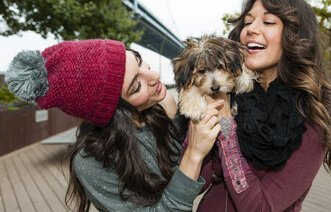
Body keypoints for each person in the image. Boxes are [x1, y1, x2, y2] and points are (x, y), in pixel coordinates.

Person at [5, 39, 223, 212]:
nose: (155, 75)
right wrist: (194, 153)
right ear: (115, 111)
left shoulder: (162, 107)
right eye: (137, 86)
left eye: (139, 60)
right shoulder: (91, 163)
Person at [191, 0, 331, 212]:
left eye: (268, 22)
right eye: (247, 22)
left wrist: (227, 131)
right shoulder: (228, 92)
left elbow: (261, 208)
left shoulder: (313, 115)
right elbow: (194, 185)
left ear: (294, 35)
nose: (251, 29)